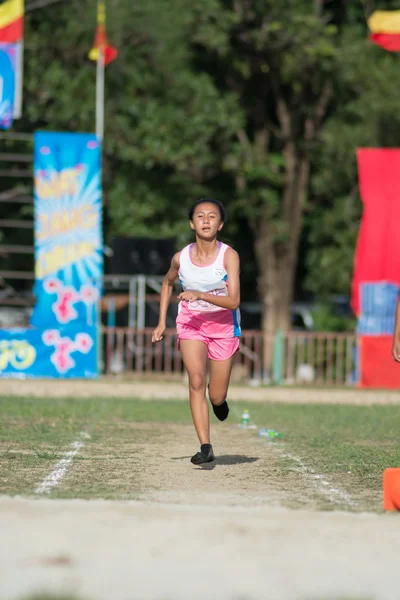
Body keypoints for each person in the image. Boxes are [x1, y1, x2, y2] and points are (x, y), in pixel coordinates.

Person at [151, 198, 241, 465]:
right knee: (196, 382)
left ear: (220, 225)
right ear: (192, 223)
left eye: (212, 216)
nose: (205, 220)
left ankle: (219, 402)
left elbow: (234, 301)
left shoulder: (229, 256)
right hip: (191, 324)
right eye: (200, 216)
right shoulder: (181, 258)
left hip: (224, 326)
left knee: (216, 394)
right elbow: (167, 284)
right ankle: (205, 447)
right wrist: (161, 322)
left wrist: (201, 294)